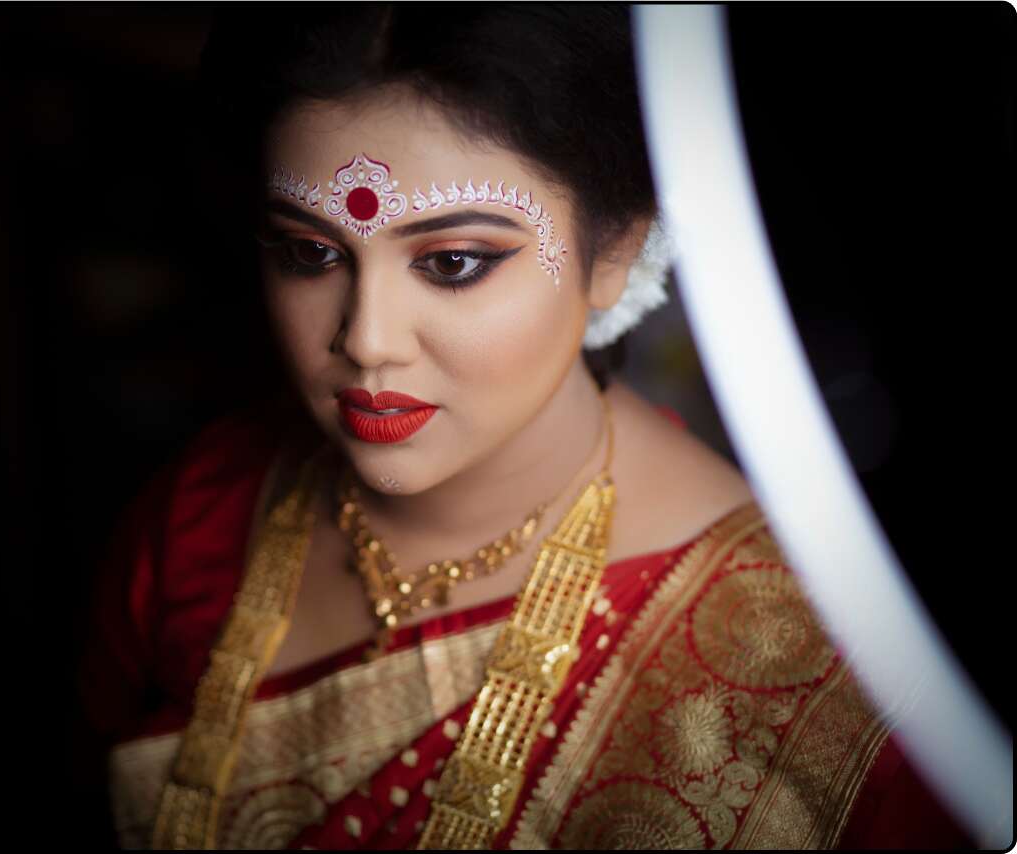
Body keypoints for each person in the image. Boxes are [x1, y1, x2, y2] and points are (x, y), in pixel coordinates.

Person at [78, 6, 970, 849]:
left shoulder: (813, 678)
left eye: (454, 262)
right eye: (311, 253)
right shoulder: (199, 514)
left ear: (617, 249)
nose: (366, 340)